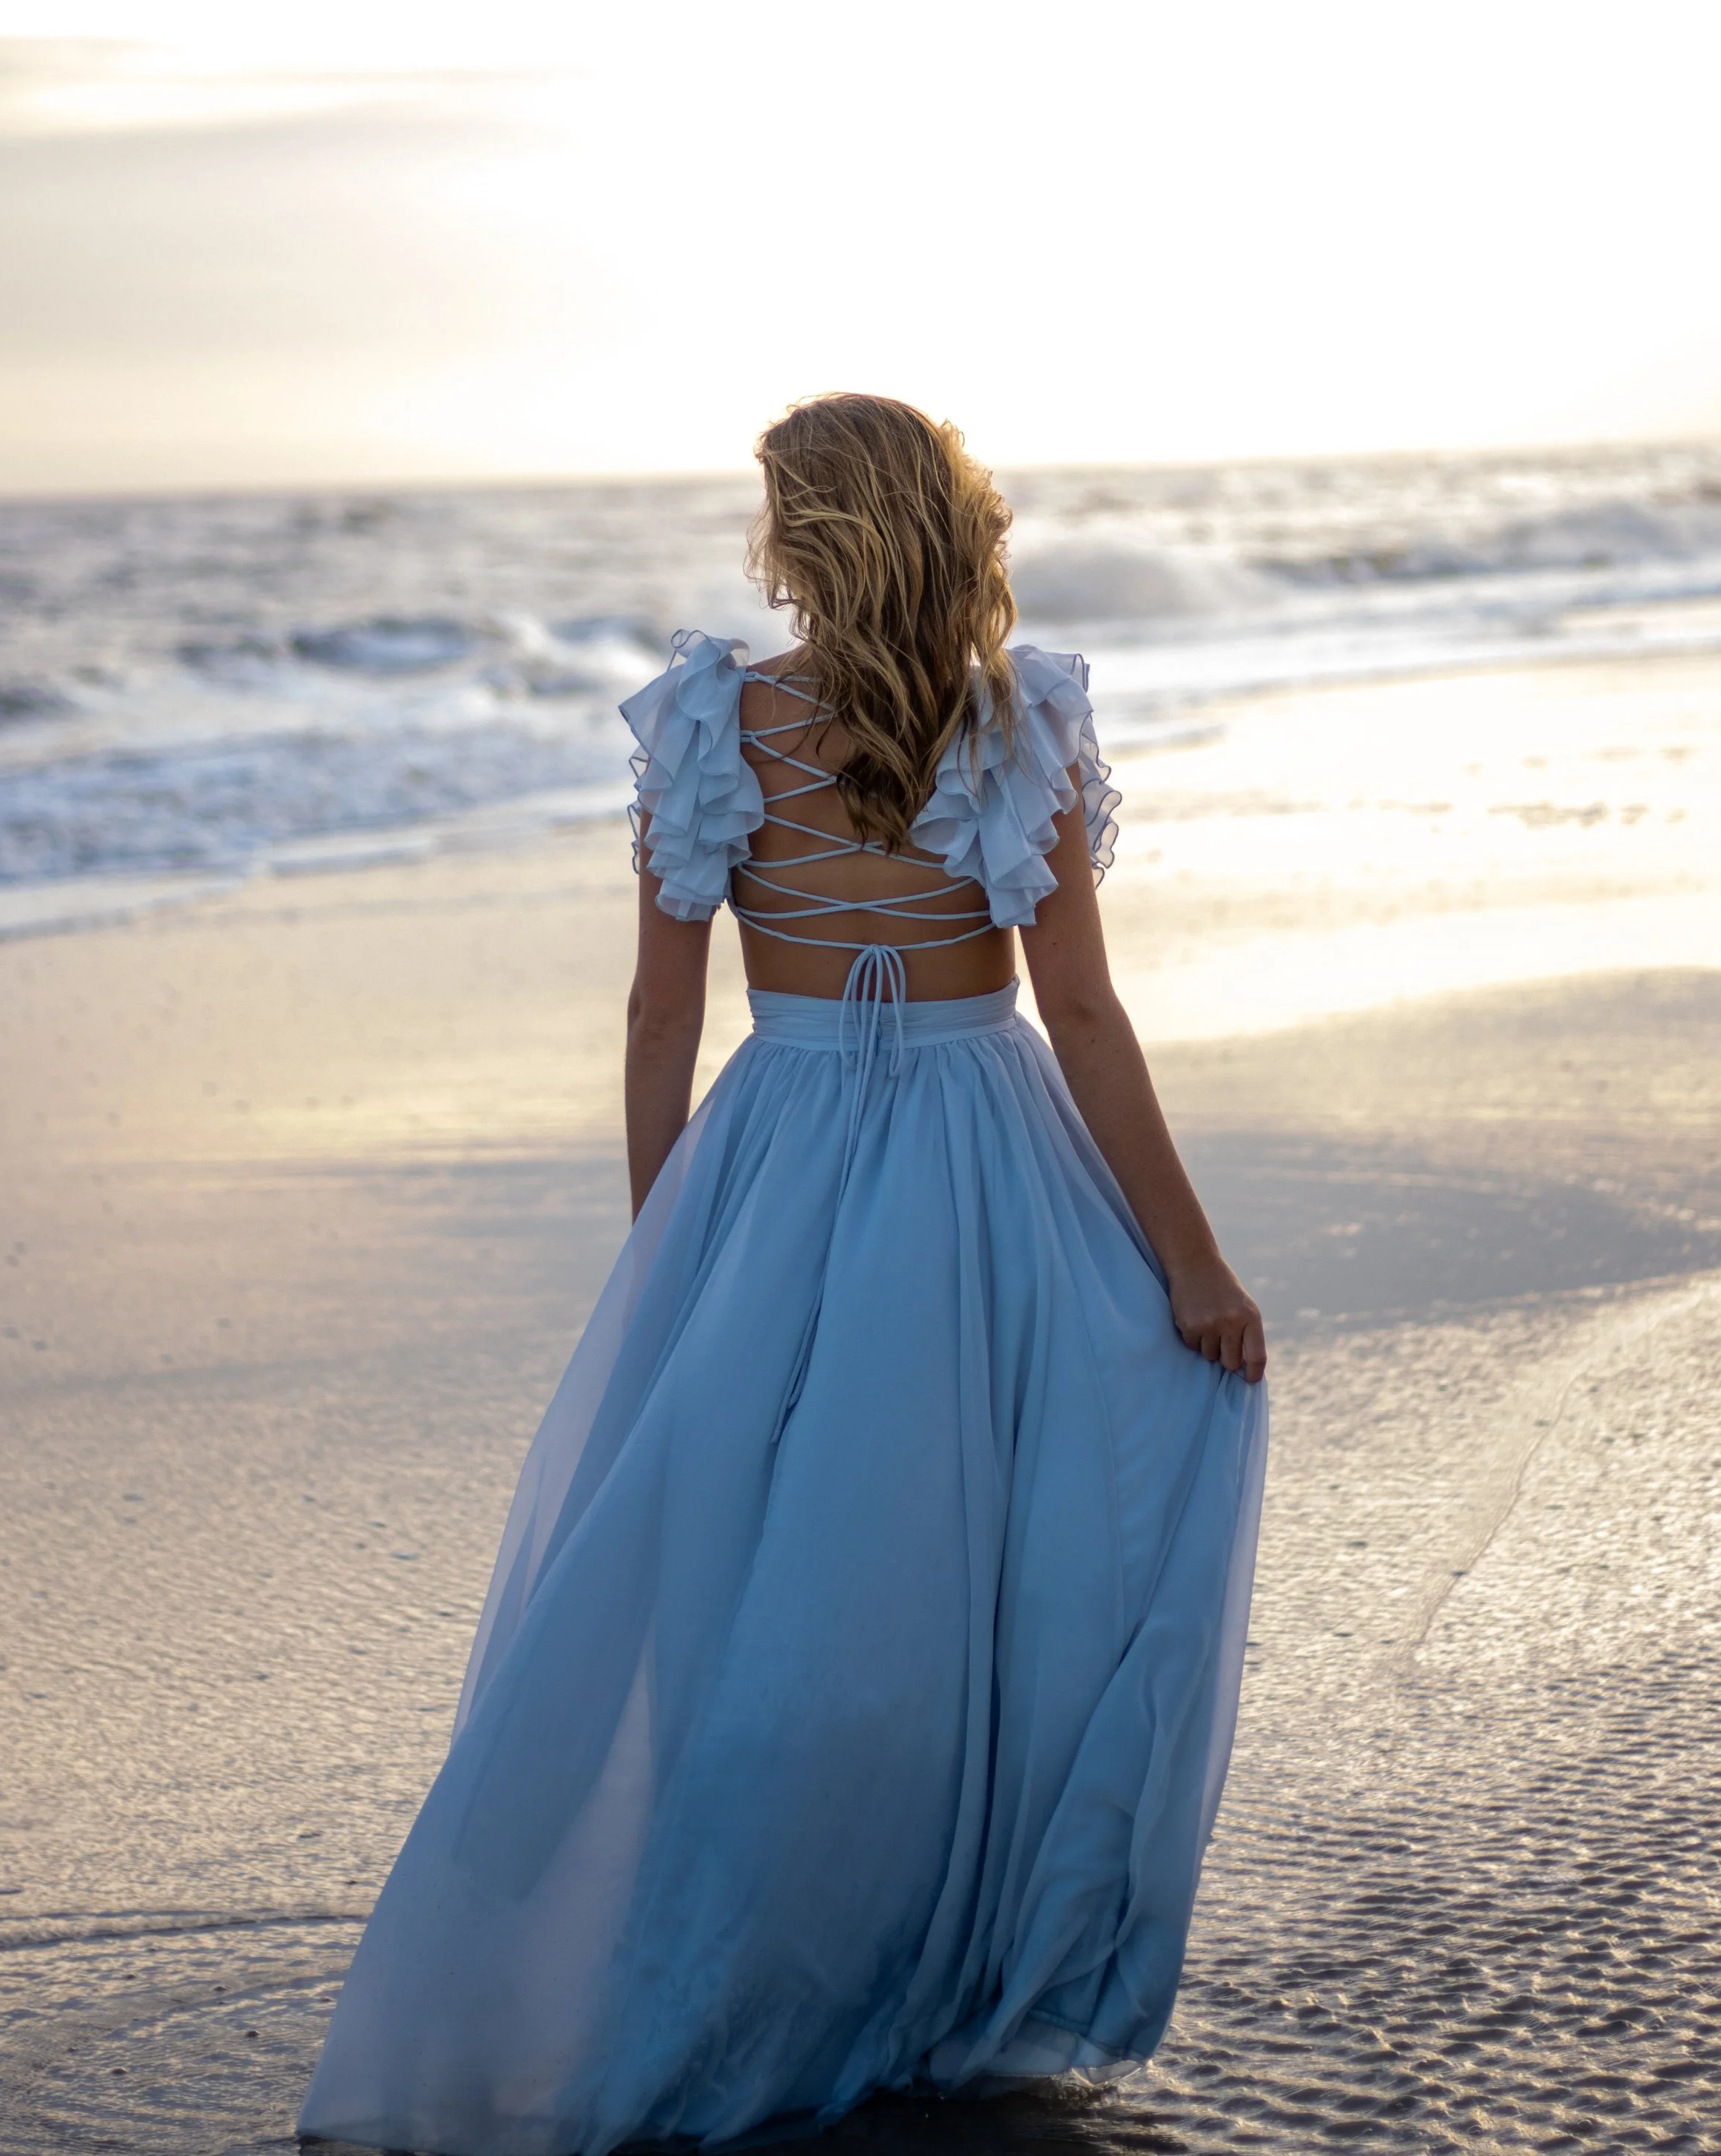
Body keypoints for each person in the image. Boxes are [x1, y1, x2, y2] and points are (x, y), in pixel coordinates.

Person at [298, 393, 1267, 2156]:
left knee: (757, 1579)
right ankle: (929, 1968)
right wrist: (1188, 1265)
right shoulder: (1016, 726)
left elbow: (663, 1012)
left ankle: (764, 1960)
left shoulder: (711, 726)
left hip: (778, 1155)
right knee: (981, 1571)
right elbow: (1090, 1018)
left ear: (798, 538)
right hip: (990, 1154)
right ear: (949, 527)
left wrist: (671, 1241)